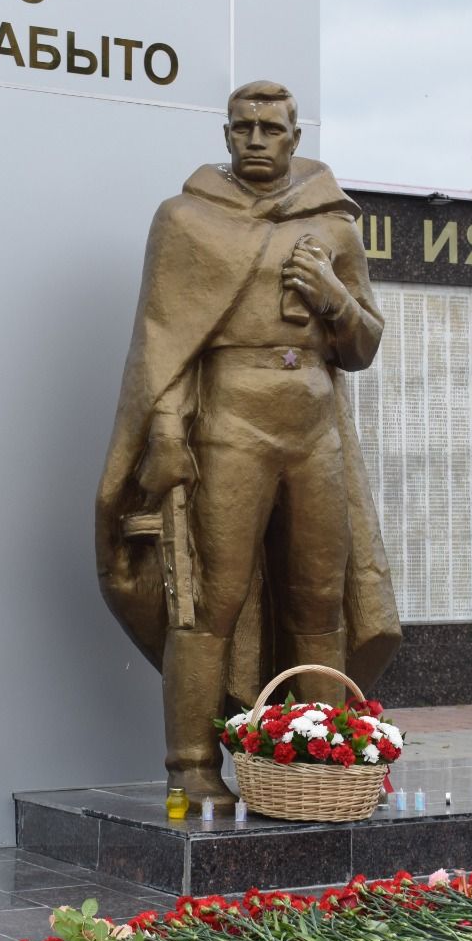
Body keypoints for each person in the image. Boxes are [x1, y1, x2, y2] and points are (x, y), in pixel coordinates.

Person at [95, 80, 400, 810]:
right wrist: (167, 435)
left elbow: (362, 346)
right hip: (229, 419)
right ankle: (192, 766)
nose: (256, 140)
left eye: (271, 129)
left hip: (313, 420)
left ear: (296, 137)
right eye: (243, 129)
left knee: (321, 599)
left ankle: (320, 752)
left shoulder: (335, 228)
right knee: (208, 599)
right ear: (226, 135)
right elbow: (160, 344)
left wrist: (332, 294)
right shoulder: (185, 221)